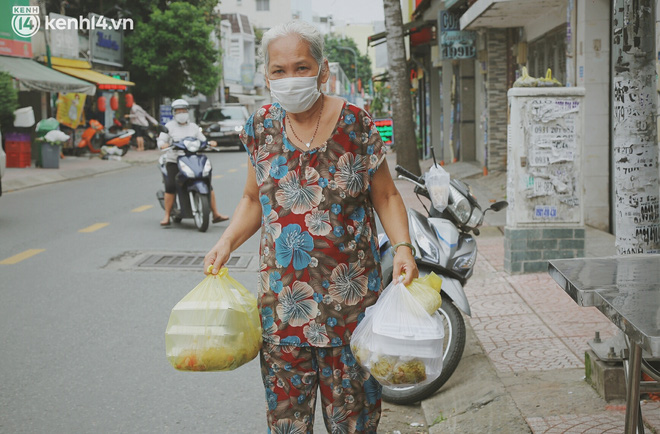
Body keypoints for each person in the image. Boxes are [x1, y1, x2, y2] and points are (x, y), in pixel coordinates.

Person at [203, 21, 418, 433]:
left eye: (301, 67)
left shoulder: (357, 123)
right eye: (278, 70)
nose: (289, 79)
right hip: (282, 313)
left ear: (322, 70)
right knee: (287, 426)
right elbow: (253, 199)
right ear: (266, 76)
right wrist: (226, 241)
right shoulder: (260, 126)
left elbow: (387, 196)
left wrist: (404, 247)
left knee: (353, 425)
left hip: (351, 312)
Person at [158, 99, 230, 226]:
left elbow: (203, 140)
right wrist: (163, 144)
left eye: (183, 110)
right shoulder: (169, 127)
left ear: (187, 112)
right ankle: (167, 216)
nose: (181, 113)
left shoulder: (194, 127)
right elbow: (161, 140)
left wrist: (210, 143)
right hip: (174, 160)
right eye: (178, 111)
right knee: (170, 186)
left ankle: (216, 213)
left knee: (207, 183)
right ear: (173, 113)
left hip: (192, 158)